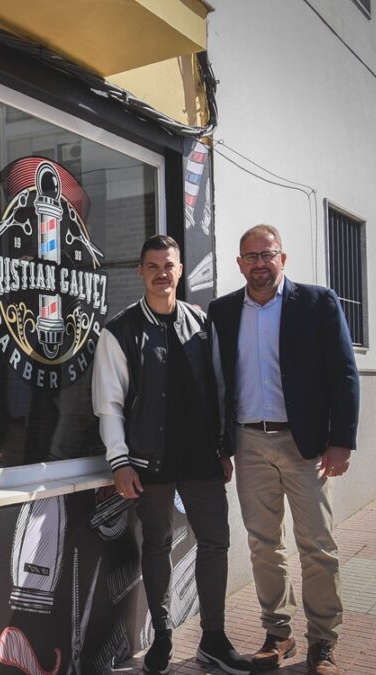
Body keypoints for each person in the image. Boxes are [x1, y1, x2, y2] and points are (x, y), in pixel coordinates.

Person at [92, 235, 251, 675]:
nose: (163, 272)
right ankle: (162, 635)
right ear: (140, 272)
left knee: (216, 541)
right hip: (150, 462)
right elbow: (109, 403)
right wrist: (119, 460)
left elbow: (219, 390)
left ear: (180, 271)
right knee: (157, 543)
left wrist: (222, 447)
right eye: (153, 265)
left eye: (170, 265)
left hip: (201, 458)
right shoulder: (119, 331)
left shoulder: (202, 324)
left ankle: (214, 638)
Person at [209, 224, 359, 675]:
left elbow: (344, 374)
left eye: (267, 254)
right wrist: (222, 446)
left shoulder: (316, 303)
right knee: (262, 544)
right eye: (250, 257)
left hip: (306, 445)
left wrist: (341, 441)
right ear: (239, 264)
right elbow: (216, 385)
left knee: (317, 544)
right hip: (249, 441)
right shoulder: (222, 311)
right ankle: (279, 632)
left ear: (282, 258)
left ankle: (323, 642)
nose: (259, 264)